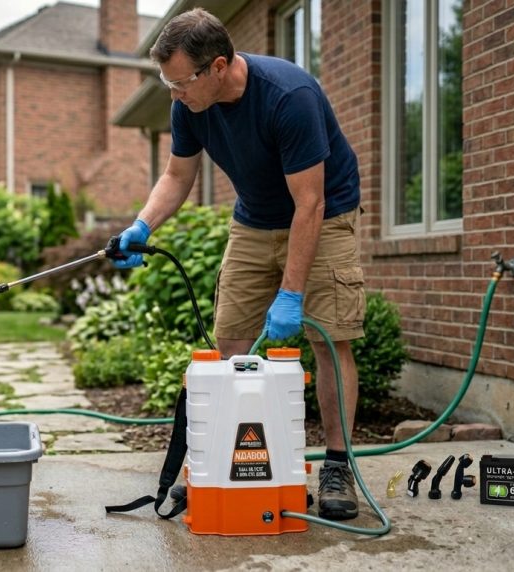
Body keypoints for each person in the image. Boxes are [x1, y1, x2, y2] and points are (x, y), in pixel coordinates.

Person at [115, 8, 366, 521]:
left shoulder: (288, 97)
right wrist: (142, 225)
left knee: (329, 338)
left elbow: (309, 204)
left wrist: (292, 293)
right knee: (228, 344)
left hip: (324, 213)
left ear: (219, 67)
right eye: (167, 81)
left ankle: (339, 464)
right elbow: (177, 176)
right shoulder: (189, 104)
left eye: (180, 81)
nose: (173, 93)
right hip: (252, 221)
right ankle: (214, 463)